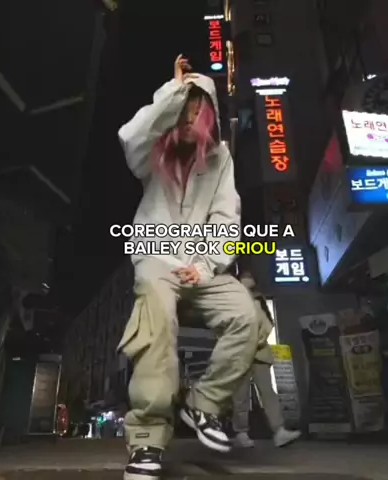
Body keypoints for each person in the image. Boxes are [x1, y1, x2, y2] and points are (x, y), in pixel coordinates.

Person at [117, 55, 259, 480]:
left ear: (208, 117)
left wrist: (207, 265)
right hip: (157, 257)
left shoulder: (220, 159)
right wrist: (173, 92)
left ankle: (204, 404)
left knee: (247, 315)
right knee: (157, 317)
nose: (187, 120)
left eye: (195, 112)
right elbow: (129, 136)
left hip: (200, 265)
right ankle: (146, 440)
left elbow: (226, 216)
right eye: (182, 111)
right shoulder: (152, 151)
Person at [232, 263, 301, 448]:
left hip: (260, 351)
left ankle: (279, 430)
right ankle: (241, 432)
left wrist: (258, 338)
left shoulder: (259, 299)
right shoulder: (231, 298)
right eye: (244, 276)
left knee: (268, 392)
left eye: (249, 276)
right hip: (239, 352)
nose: (247, 280)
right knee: (240, 395)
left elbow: (268, 323)